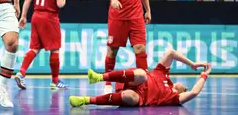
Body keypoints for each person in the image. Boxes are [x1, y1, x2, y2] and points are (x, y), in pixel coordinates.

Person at [69, 49, 211, 107]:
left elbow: (193, 92)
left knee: (128, 96)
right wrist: (193, 65)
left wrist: (204, 75)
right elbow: (171, 53)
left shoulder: (173, 98)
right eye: (184, 86)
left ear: (180, 92)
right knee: (142, 74)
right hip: (134, 79)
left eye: (184, 88)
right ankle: (99, 77)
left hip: (140, 96)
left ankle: (85, 100)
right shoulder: (164, 74)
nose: (183, 86)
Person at [102, 0, 151, 94]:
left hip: (136, 16)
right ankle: (108, 83)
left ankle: (144, 86)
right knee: (112, 50)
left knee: (140, 48)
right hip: (118, 16)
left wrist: (148, 9)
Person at [15, 0, 68, 90]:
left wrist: (23, 16)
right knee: (55, 49)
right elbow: (60, 3)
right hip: (49, 18)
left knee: (35, 48)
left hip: (36, 16)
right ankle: (55, 81)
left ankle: (21, 73)